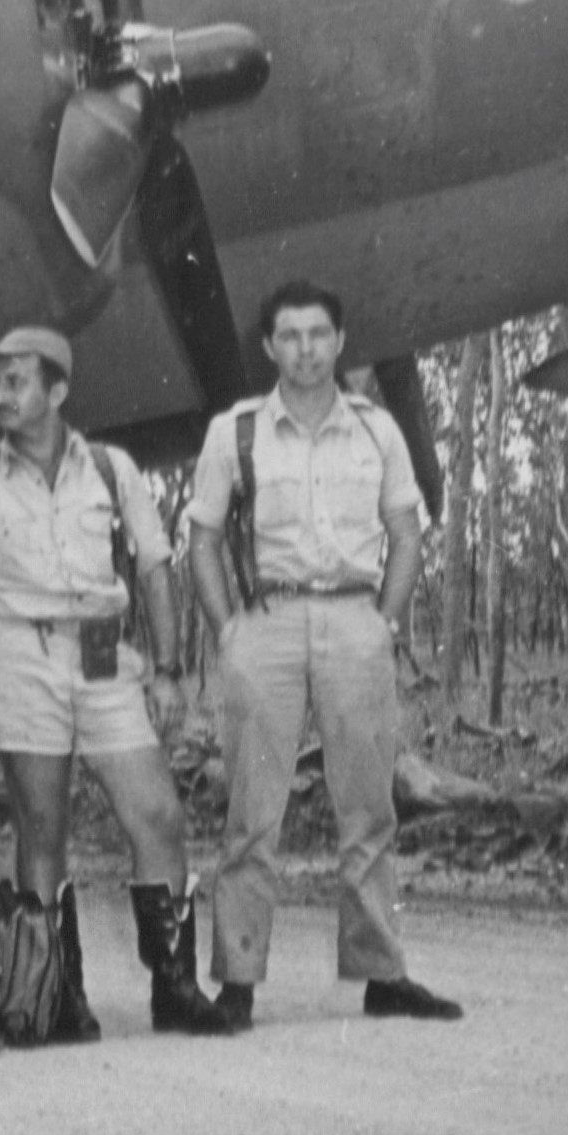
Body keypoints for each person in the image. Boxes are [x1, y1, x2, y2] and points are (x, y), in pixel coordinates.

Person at [182, 278, 463, 1028]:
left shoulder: (375, 430)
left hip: (352, 622)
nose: (304, 350)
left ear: (339, 344)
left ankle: (381, 973)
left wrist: (384, 622)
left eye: (318, 335)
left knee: (368, 810)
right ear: (269, 347)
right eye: (290, 336)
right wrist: (227, 630)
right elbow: (202, 538)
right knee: (252, 812)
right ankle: (236, 981)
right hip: (266, 623)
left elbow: (405, 532)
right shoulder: (235, 432)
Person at [0, 323, 222, 1039]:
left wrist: (163, 669)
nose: (0, 395)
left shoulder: (108, 467)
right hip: (19, 646)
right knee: (43, 827)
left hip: (98, 643)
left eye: (16, 381)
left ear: (56, 390)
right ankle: (52, 993)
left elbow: (154, 564)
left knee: (155, 813)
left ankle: (175, 987)